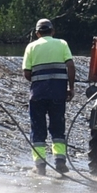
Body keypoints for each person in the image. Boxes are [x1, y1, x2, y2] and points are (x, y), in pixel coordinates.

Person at [21, 19, 76, 175]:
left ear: (37, 33)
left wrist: (39, 81)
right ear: (53, 31)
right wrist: (70, 88)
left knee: (38, 130)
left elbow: (27, 73)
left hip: (38, 95)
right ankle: (60, 163)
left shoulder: (31, 47)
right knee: (58, 129)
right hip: (58, 94)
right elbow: (71, 66)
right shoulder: (62, 44)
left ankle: (40, 166)